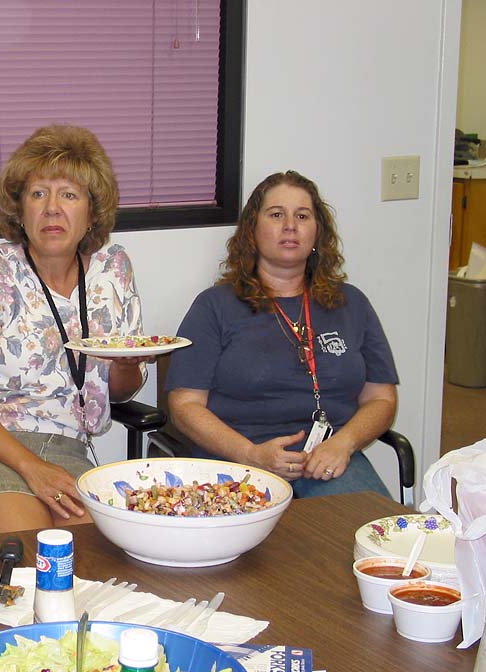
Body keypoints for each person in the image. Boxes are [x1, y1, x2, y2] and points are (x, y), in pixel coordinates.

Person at [0, 124, 149, 537]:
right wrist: (32, 468)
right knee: (32, 548)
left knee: (98, 554)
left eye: (69, 194)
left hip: (67, 451)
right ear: (20, 208)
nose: (52, 208)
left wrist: (128, 365)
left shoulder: (112, 270)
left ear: (91, 210)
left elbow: (119, 391)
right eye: (38, 194)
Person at [165, 170, 399, 498]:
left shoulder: (351, 303)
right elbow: (184, 405)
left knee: (374, 542)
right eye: (277, 215)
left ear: (317, 232)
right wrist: (251, 454)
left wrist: (344, 444)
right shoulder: (214, 306)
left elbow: (381, 398)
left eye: (302, 216)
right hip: (236, 462)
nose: (290, 225)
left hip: (328, 462)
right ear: (252, 231)